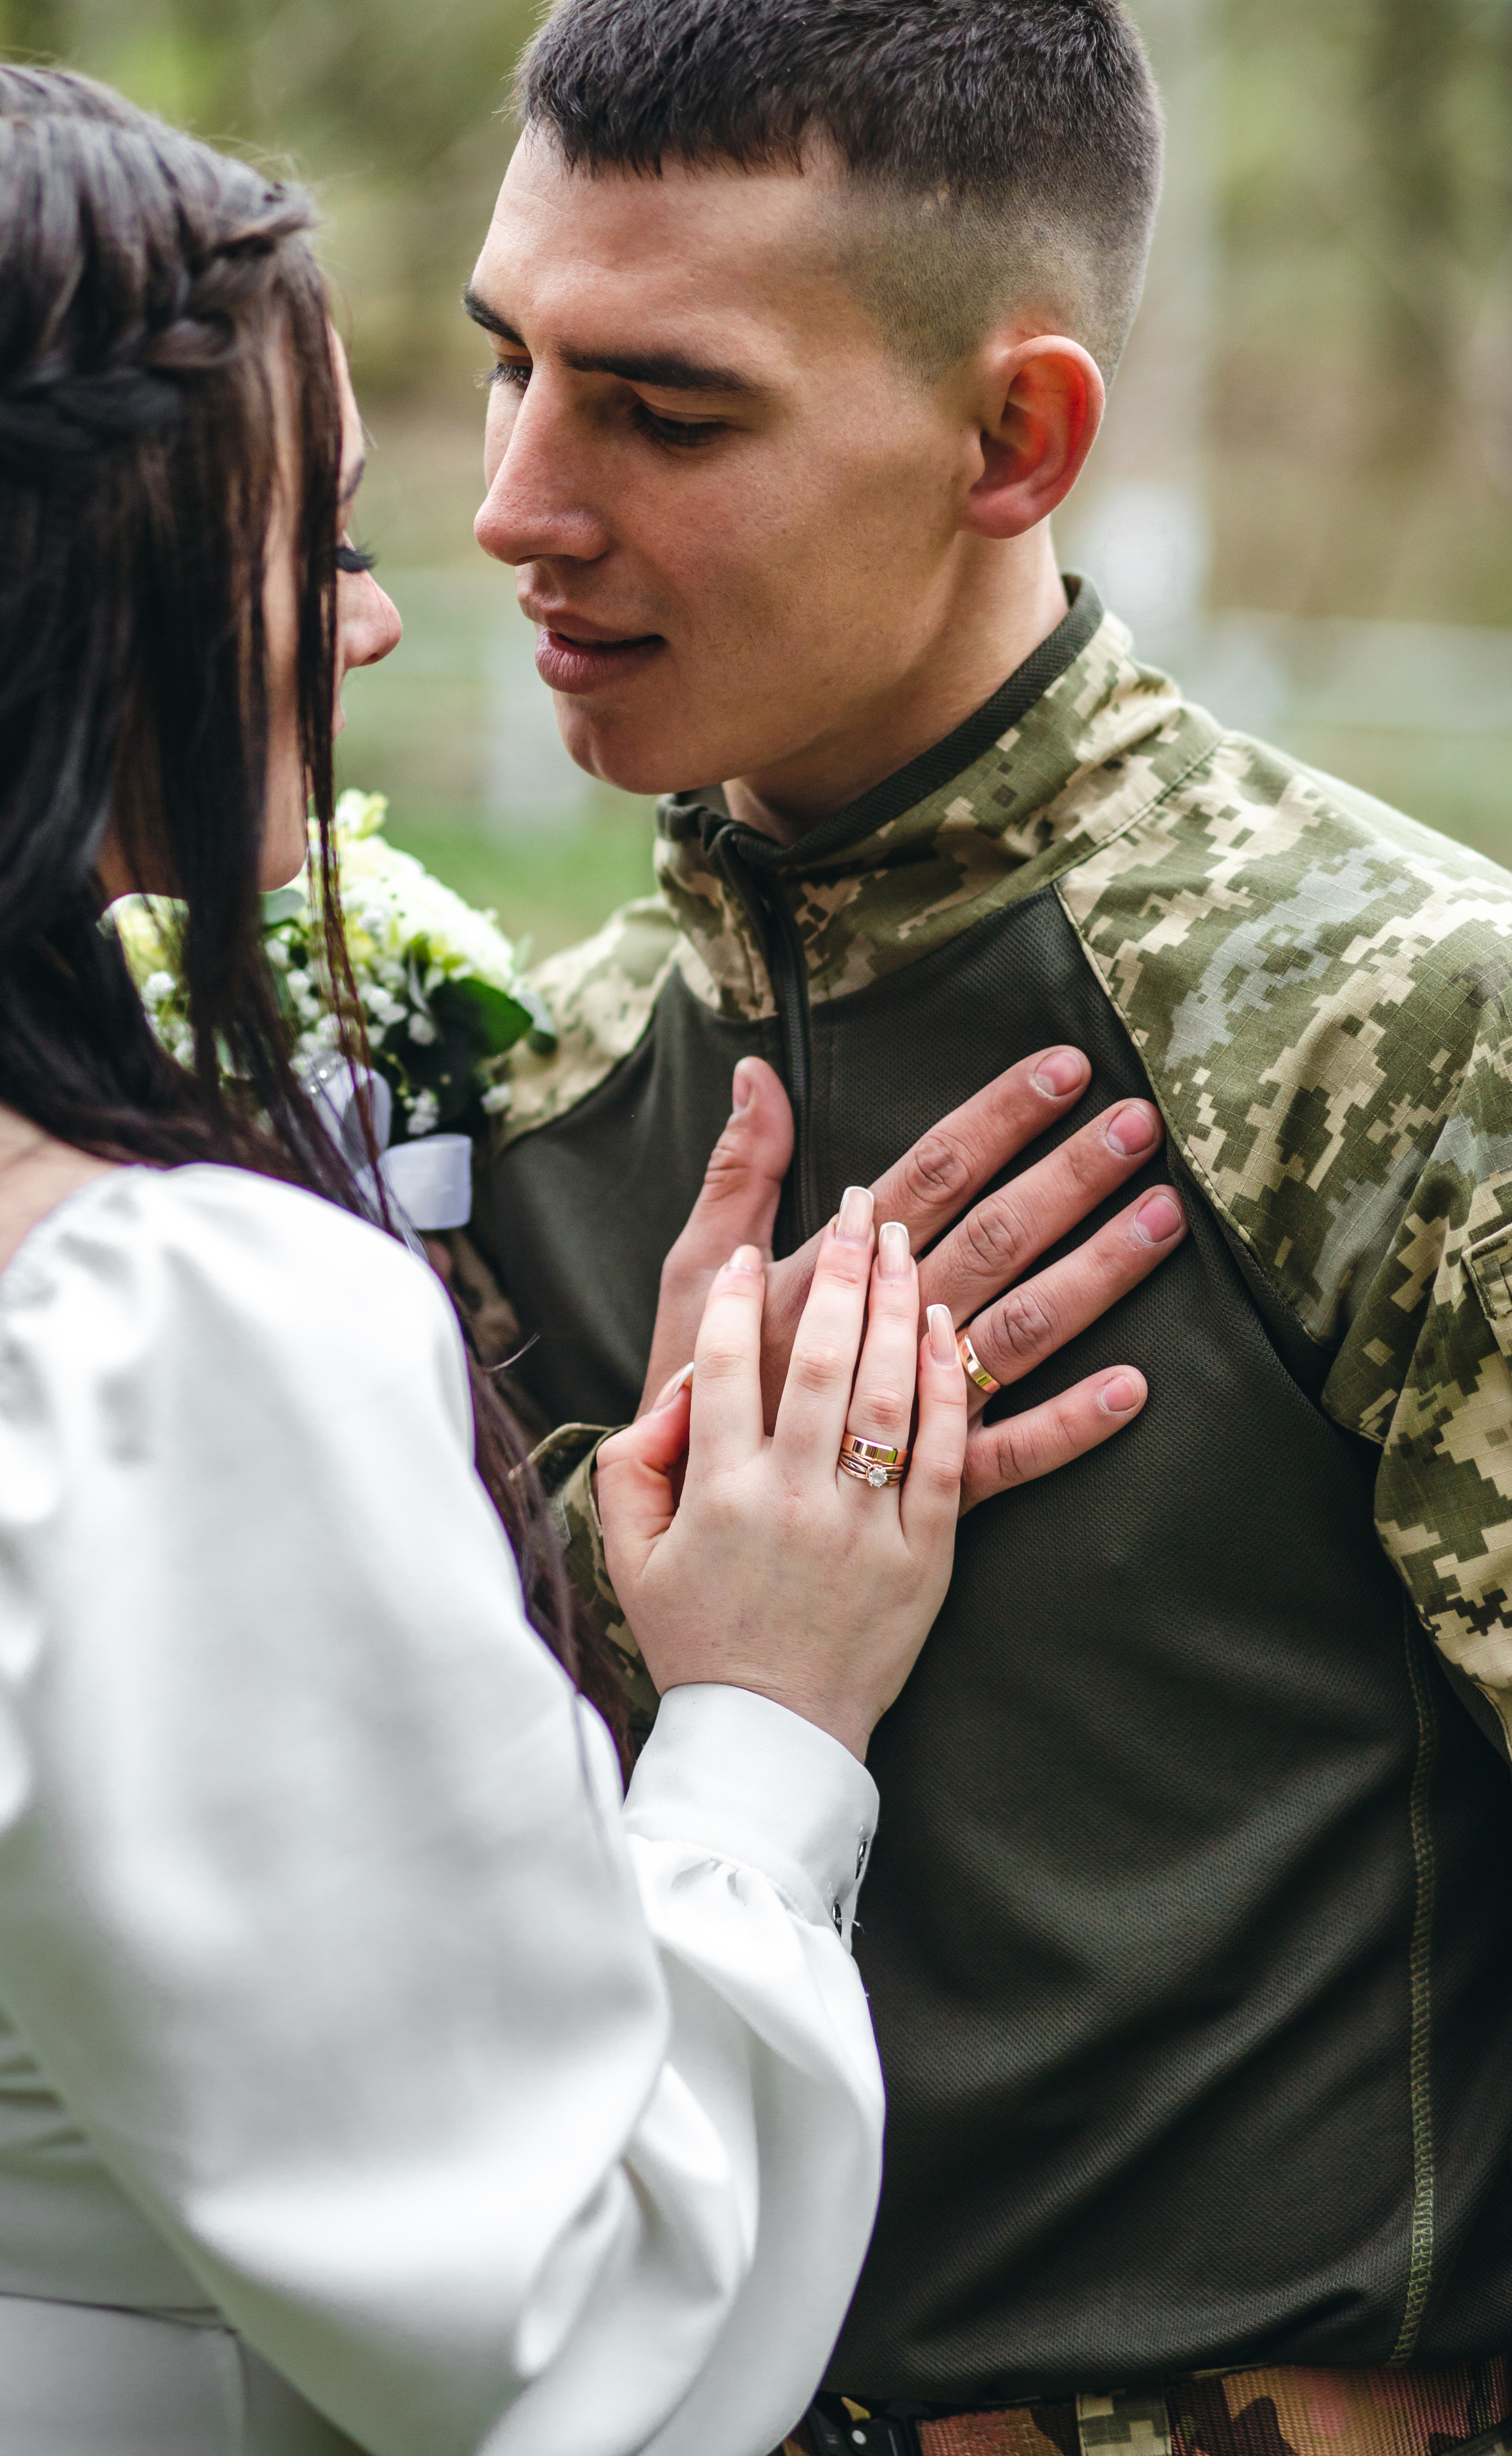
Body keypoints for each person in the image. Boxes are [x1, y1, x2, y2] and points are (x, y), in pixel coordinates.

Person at [0, 40, 1048, 2456]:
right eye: (316, 545)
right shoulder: (140, 1326)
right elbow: (567, 2336)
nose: (397, 615)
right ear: (48, 600)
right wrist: (765, 1717)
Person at [460, 3, 1512, 2451]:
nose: (516, 503)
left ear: (1013, 438)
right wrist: (611, 1567)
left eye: (664, 412)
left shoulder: (1407, 1032)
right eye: (510, 365)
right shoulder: (516, 1093)